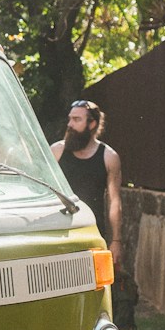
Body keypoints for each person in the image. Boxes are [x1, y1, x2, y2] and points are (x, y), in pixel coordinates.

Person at [52, 99, 123, 269]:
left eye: (77, 120)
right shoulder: (57, 151)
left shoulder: (109, 157)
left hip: (92, 233)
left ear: (92, 124)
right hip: (59, 232)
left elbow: (114, 201)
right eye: (70, 119)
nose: (70, 124)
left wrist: (116, 241)